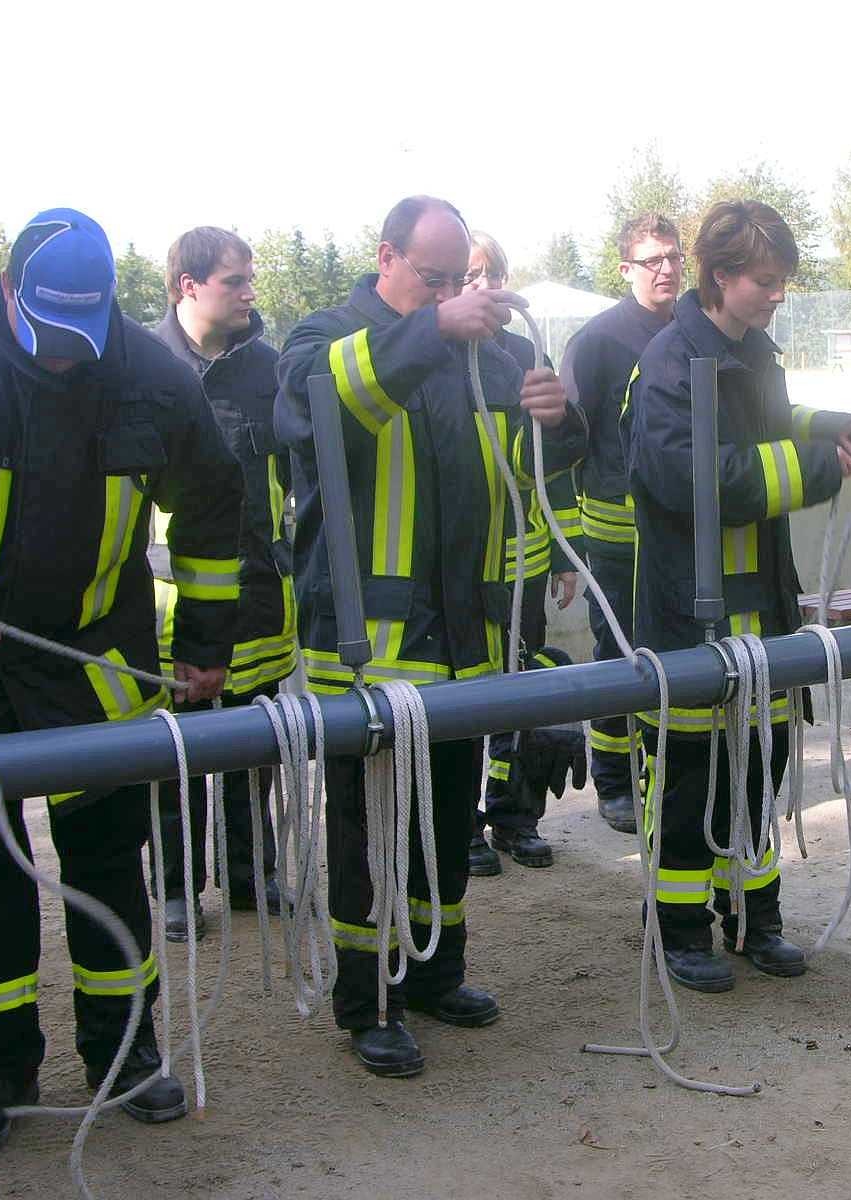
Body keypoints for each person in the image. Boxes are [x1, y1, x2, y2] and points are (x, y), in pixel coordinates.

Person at [0, 208, 242, 1162]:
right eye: (45, 338)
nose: (61, 362)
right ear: (11, 296)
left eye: (78, 343)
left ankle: (124, 1057)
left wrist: (207, 642)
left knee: (107, 870)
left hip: (100, 661)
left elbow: (214, 515)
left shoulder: (153, 381)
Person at [275, 196, 586, 1077]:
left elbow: (547, 464)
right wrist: (432, 330)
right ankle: (370, 1001)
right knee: (370, 835)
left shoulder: (494, 354)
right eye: (435, 277)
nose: (455, 294)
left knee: (447, 823)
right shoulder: (324, 335)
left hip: (465, 646)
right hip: (365, 651)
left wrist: (560, 418)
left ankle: (440, 971)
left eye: (464, 280)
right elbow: (316, 411)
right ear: (387, 256)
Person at [624, 199, 851, 991]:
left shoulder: (752, 354)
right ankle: (678, 930)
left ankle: (753, 917)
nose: (778, 295)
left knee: (758, 772)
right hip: (686, 617)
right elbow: (692, 477)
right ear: (722, 276)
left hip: (759, 611)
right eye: (766, 281)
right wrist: (811, 468)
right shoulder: (669, 365)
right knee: (688, 781)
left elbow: (766, 421)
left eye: (782, 282)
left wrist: (829, 423)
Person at [150, 228, 292, 940]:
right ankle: (176, 888)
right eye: (234, 281)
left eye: (249, 280)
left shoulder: (270, 369)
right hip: (164, 606)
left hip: (257, 596)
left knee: (253, 748)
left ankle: (252, 874)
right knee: (173, 757)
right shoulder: (142, 367)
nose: (249, 293)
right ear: (188, 286)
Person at [464, 231, 586, 875]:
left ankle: (515, 815)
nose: (478, 286)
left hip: (524, 561)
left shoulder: (523, 354)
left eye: (487, 273)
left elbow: (552, 466)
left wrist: (565, 553)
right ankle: (462, 827)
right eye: (465, 276)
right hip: (459, 571)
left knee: (525, 691)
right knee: (465, 700)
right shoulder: (436, 356)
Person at [559, 212, 682, 834]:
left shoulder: (694, 330)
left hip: (680, 537)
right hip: (616, 536)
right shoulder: (599, 341)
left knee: (674, 656)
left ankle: (666, 770)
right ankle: (613, 783)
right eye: (652, 259)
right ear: (626, 269)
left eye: (673, 256)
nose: (666, 269)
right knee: (619, 658)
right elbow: (564, 440)